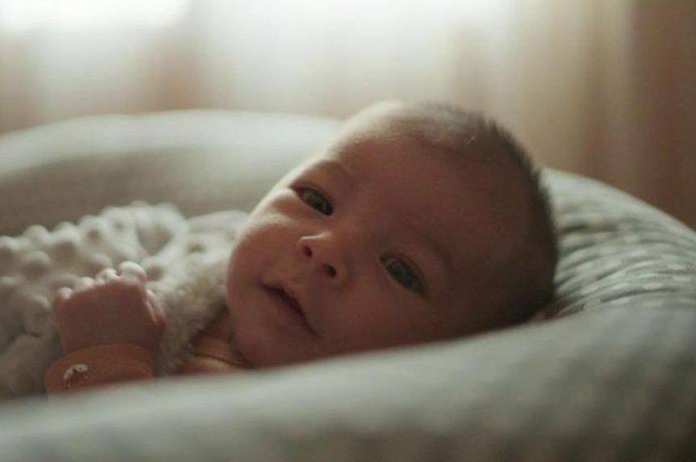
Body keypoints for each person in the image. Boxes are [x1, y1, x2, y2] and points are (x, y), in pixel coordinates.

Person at [44, 101, 559, 393]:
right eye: (315, 198)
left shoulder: (287, 420)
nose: (323, 247)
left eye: (400, 269)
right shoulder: (207, 264)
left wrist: (103, 358)